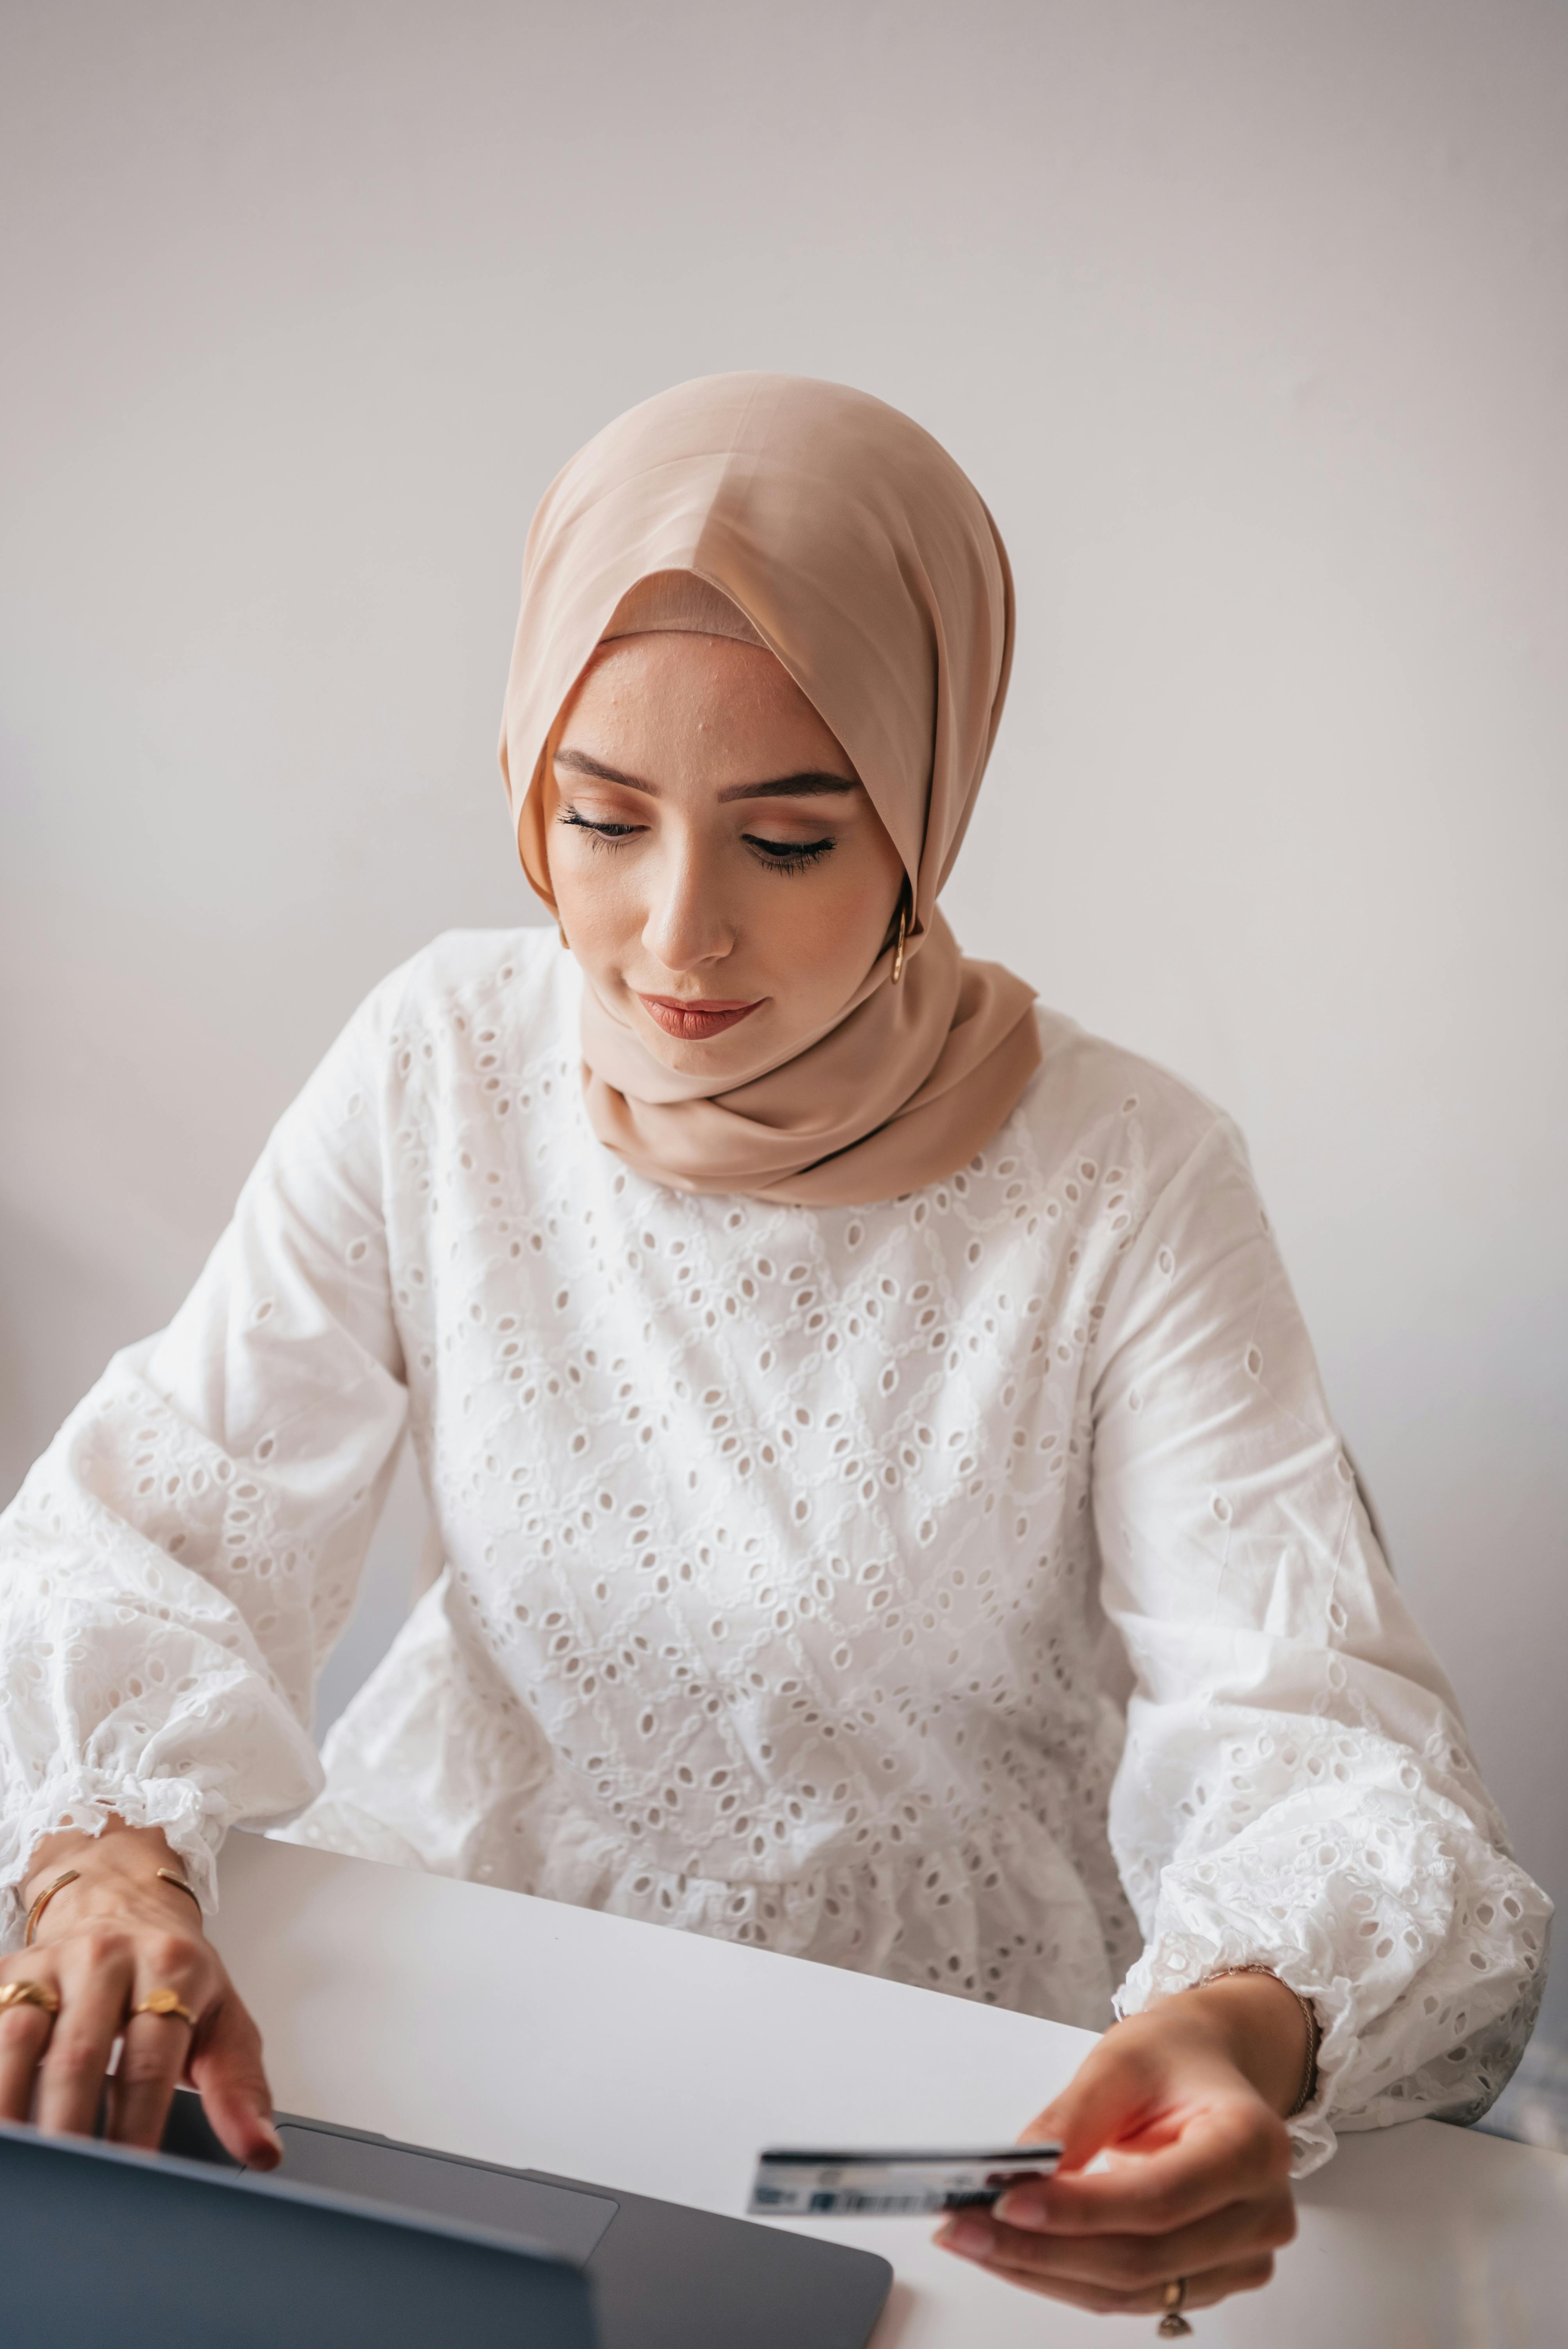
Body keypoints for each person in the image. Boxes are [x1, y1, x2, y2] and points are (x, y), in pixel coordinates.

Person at [0, 374, 1549, 2324]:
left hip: (916, 2102)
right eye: (600, 818)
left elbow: (1311, 1736)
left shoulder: (1127, 1178)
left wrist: (1247, 2022)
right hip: (443, 2001)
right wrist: (110, 1874)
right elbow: (159, 1529)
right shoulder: (441, 1060)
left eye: (791, 842)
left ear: (920, 822)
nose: (674, 935)